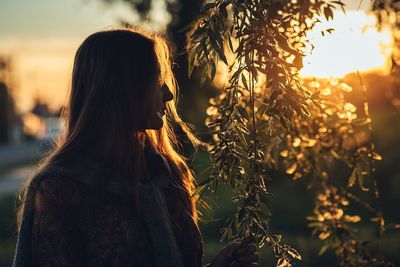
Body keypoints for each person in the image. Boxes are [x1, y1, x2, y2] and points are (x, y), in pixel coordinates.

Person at [12, 28, 259, 267]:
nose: (169, 94)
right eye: (157, 80)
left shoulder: (166, 174)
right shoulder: (61, 191)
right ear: (123, 89)